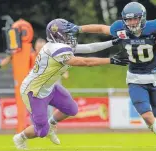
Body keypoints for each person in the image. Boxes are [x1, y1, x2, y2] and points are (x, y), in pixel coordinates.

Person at [66, 2, 156, 150]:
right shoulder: (120, 29)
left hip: (155, 77)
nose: (132, 22)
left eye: (135, 19)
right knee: (146, 115)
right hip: (135, 79)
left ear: (142, 18)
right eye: (128, 19)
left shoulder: (155, 26)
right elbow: (101, 28)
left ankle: (154, 125)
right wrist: (79, 29)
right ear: (124, 20)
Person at [13, 18, 129, 149]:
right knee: (42, 131)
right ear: (59, 35)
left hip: (49, 87)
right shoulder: (56, 49)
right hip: (34, 92)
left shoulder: (57, 45)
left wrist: (113, 42)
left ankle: (51, 124)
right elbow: (84, 62)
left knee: (71, 109)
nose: (71, 36)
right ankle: (20, 137)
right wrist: (111, 60)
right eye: (67, 33)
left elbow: (89, 47)